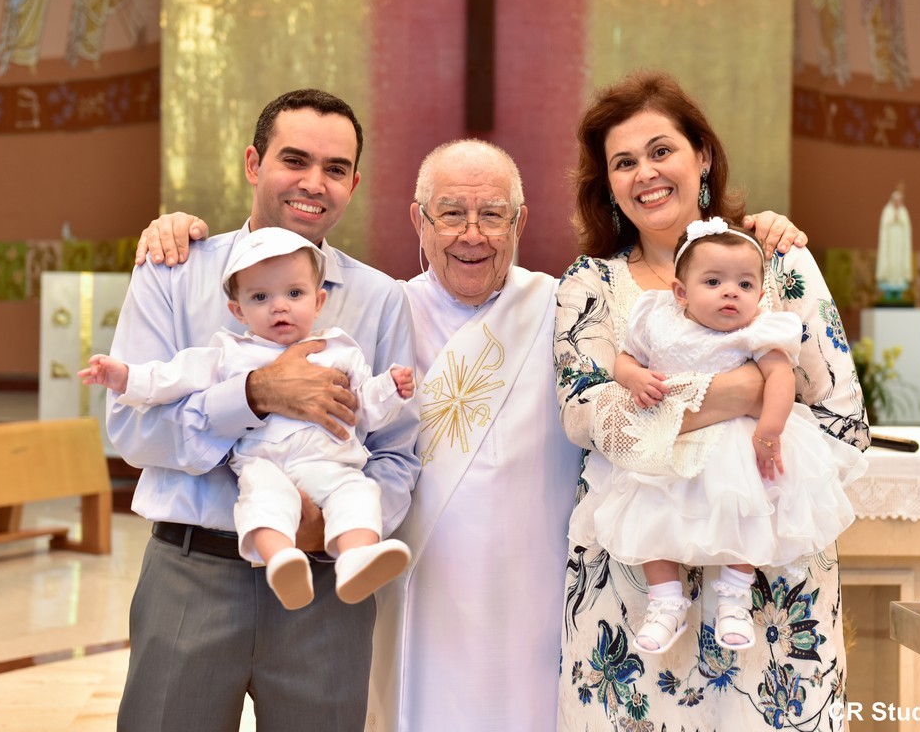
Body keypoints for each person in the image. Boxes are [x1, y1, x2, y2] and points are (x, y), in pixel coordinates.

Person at [140, 138, 804, 731]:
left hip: (537, 582)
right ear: (418, 221)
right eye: (451, 213)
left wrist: (759, 235)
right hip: (418, 579)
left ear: (520, 222)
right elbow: (282, 320)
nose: (472, 234)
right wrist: (180, 232)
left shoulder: (560, 304)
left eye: (493, 214)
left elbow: (675, 332)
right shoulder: (382, 309)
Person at [554, 70, 869, 730]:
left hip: (772, 591)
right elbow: (588, 418)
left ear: (701, 156)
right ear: (607, 184)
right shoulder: (589, 285)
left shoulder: (778, 261)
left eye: (661, 150)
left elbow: (842, 418)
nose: (645, 173)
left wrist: (682, 413)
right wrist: (745, 390)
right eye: (623, 162)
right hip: (634, 597)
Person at [109, 89, 420, 731]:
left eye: (335, 169)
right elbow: (132, 429)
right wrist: (253, 395)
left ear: (354, 184)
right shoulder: (174, 271)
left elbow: (396, 454)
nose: (314, 183)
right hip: (192, 574)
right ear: (254, 164)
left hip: (325, 586)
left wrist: (326, 530)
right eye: (294, 160)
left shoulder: (380, 298)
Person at [573, 217, 867, 656]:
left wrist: (770, 429)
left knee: (747, 510)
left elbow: (781, 378)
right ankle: (665, 601)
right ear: (681, 292)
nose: (731, 292)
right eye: (713, 282)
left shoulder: (758, 329)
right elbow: (624, 360)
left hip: (736, 446)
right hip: (670, 448)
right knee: (648, 507)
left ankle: (734, 596)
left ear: (760, 294)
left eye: (745, 284)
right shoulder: (657, 318)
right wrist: (634, 377)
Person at [83, 228, 414, 610]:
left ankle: (356, 558)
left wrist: (390, 387)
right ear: (238, 311)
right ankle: (281, 561)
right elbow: (172, 377)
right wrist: (125, 376)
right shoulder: (230, 354)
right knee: (263, 500)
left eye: (295, 294)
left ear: (318, 301)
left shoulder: (339, 350)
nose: (280, 307)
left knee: (357, 493)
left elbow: (366, 407)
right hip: (265, 463)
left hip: (330, 465)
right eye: (260, 297)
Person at [875, 181, 913, 302]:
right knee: (890, 261)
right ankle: (889, 284)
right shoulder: (887, 211)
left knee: (899, 261)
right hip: (890, 244)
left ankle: (899, 286)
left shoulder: (904, 212)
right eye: (896, 200)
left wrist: (899, 218)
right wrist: (893, 218)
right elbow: (884, 225)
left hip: (900, 244)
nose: (898, 202)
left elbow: (906, 227)